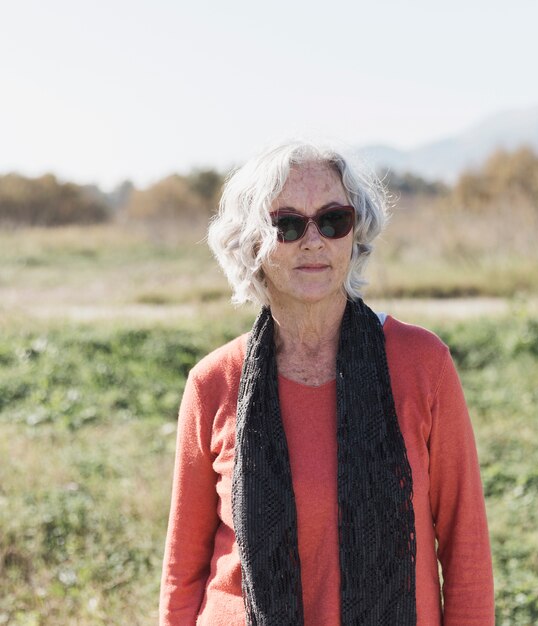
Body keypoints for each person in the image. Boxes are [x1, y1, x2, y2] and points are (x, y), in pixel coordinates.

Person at [159, 140, 495, 626]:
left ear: (354, 234)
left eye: (333, 219)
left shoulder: (423, 364)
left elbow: (466, 547)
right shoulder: (213, 381)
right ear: (252, 242)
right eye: (288, 224)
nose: (313, 241)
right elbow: (182, 571)